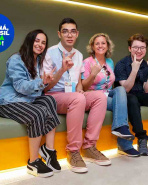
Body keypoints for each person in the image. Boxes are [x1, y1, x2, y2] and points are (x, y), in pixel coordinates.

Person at [43, 18, 111, 174]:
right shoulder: (50, 53)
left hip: (73, 96)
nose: (69, 35)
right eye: (65, 31)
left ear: (77, 34)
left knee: (99, 97)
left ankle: (89, 147)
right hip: (53, 96)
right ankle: (73, 151)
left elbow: (78, 82)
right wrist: (61, 69)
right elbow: (46, 87)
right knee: (78, 98)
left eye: (73, 31)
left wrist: (80, 88)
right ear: (59, 34)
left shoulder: (79, 55)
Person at [0, 29, 61, 178]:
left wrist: (46, 81)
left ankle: (49, 150)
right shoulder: (16, 60)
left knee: (50, 100)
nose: (40, 45)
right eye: (37, 41)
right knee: (38, 113)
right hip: (9, 103)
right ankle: (33, 162)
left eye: (43, 42)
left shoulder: (37, 61)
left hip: (27, 100)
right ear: (29, 41)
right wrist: (41, 82)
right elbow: (20, 86)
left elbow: (36, 88)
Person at [81, 33, 139, 157]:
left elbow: (110, 84)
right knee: (122, 106)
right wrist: (93, 74)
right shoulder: (87, 62)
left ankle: (120, 128)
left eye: (103, 43)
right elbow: (84, 87)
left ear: (107, 46)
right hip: (94, 96)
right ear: (92, 46)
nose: (100, 45)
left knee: (120, 89)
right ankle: (125, 145)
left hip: (108, 94)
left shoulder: (110, 62)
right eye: (97, 43)